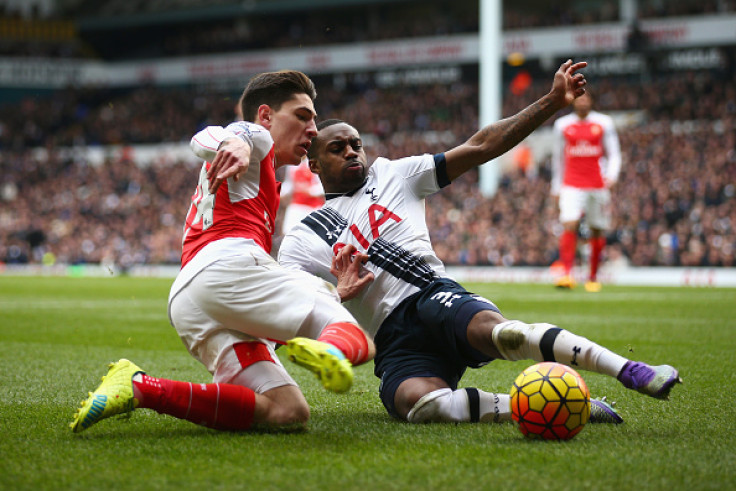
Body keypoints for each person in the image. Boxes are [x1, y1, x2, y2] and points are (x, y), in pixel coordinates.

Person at [277, 60, 681, 425]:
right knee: (419, 406)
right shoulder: (303, 235)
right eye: (337, 148)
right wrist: (336, 294)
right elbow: (287, 309)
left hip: (431, 297)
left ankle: (631, 371)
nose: (353, 152)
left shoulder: (394, 175)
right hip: (392, 339)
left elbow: (481, 145)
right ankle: (549, 405)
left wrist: (552, 102)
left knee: (504, 335)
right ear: (313, 164)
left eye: (357, 144)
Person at [71, 70, 375, 434]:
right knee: (357, 338)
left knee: (288, 410)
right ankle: (332, 348)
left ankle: (141, 388)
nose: (313, 129)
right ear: (265, 115)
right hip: (225, 268)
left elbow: (260, 307)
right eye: (302, 116)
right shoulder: (254, 138)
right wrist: (236, 142)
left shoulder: (262, 181)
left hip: (194, 299)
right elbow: (217, 134)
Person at [550, 90, 622, 292]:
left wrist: (613, 175)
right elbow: (558, 158)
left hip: (597, 184)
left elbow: (614, 153)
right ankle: (566, 274)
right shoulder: (563, 125)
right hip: (571, 184)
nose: (582, 102)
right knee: (569, 223)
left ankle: (592, 276)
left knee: (596, 228)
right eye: (579, 99)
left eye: (585, 99)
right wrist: (556, 186)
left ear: (590, 101)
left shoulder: (603, 122)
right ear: (573, 102)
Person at [280, 158, 325, 234]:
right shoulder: (292, 165)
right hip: (297, 205)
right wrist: (278, 193)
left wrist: (310, 190)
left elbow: (323, 187)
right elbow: (289, 184)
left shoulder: (317, 163)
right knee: (290, 233)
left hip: (313, 207)